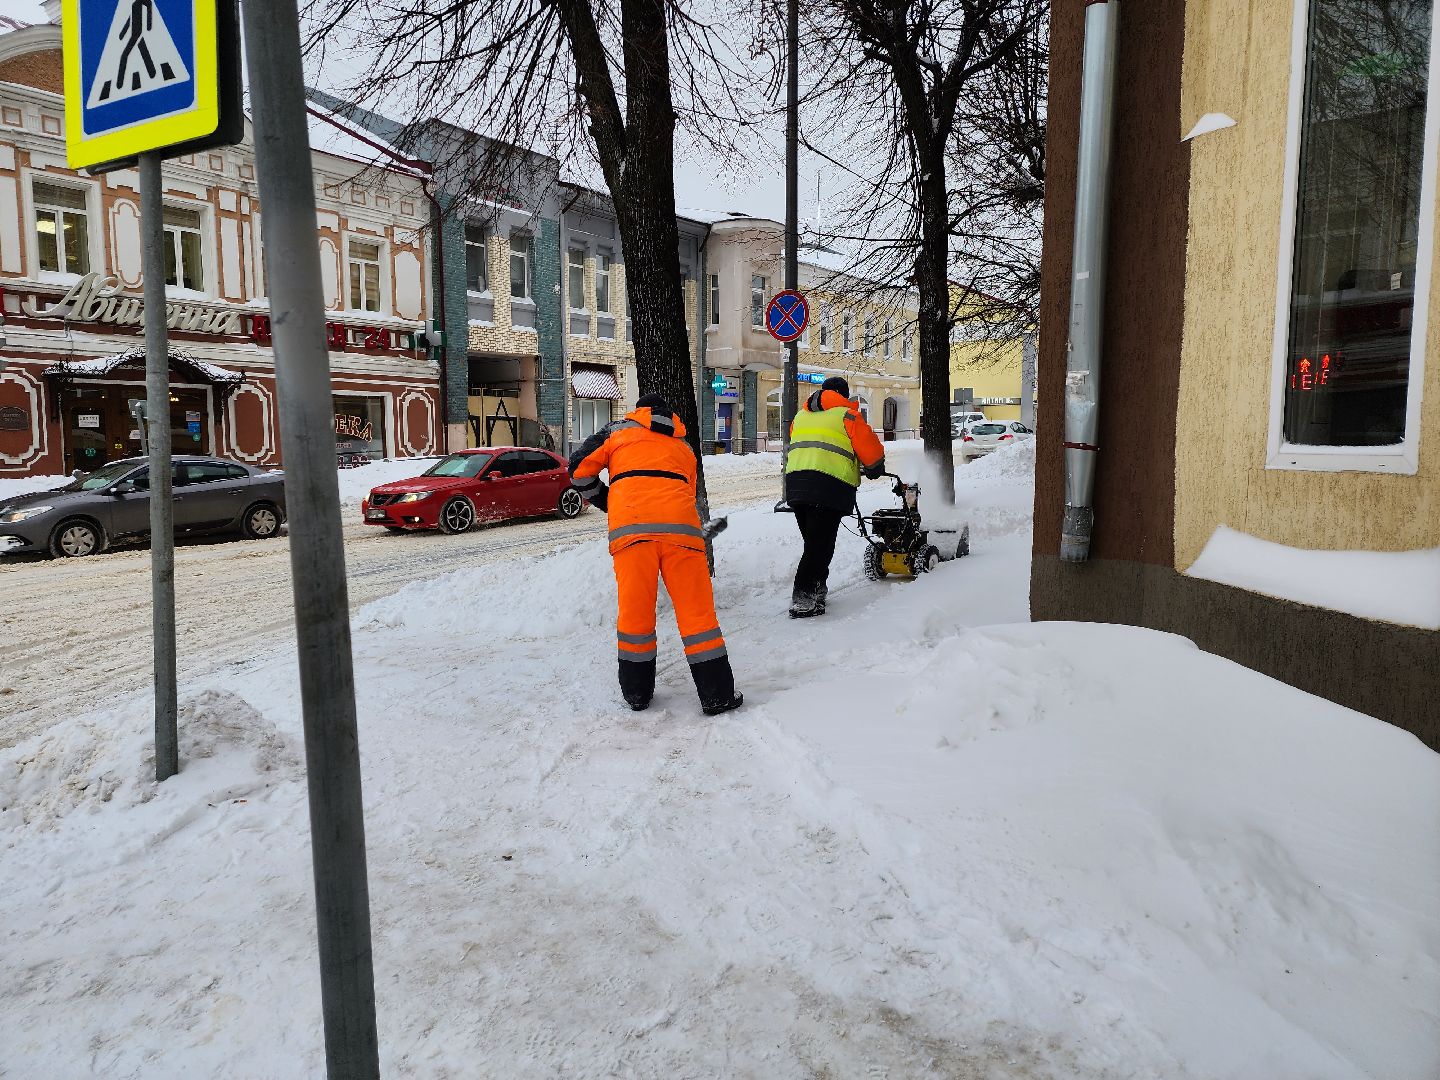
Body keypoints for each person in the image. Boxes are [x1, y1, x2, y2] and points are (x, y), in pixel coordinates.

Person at [570, 393, 743, 716]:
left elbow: (578, 470)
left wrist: (609, 501)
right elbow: (688, 491)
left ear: (640, 411)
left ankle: (637, 694)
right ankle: (717, 695)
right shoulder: (684, 447)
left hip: (633, 533)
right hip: (683, 533)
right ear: (671, 416)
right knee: (698, 617)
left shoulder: (616, 432)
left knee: (636, 614)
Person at [784, 376, 886, 618]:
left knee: (816, 543)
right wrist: (874, 468)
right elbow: (871, 453)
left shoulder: (801, 416)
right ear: (843, 394)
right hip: (827, 485)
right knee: (819, 545)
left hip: (797, 485)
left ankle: (818, 588)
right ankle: (803, 596)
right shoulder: (847, 416)